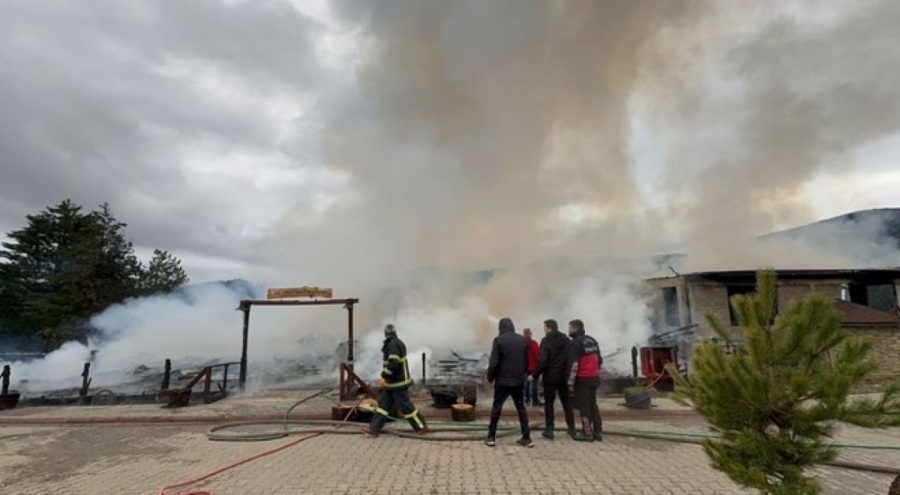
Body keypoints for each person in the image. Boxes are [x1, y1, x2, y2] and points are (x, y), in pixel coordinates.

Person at [362, 324, 428, 437]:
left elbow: (393, 363)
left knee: (406, 407)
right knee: (383, 406)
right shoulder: (395, 343)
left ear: (386, 334)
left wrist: (384, 376)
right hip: (391, 384)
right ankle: (374, 429)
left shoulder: (394, 345)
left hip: (398, 383)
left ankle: (421, 426)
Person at [484, 317, 533, 448]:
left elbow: (494, 363)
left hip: (503, 382)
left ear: (500, 327)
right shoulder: (522, 340)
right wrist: (522, 375)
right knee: (521, 408)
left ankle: (491, 437)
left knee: (496, 408)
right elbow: (527, 362)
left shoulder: (498, 340)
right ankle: (526, 437)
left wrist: (490, 377)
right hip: (518, 381)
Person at [528, 319, 576, 440]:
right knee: (566, 403)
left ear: (549, 328)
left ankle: (549, 429)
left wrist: (534, 375)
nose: (544, 330)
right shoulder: (566, 341)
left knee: (549, 404)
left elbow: (542, 362)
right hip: (563, 377)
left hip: (550, 378)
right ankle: (572, 428)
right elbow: (571, 358)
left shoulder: (546, 341)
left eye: (544, 327)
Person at [567, 319, 603, 442]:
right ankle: (598, 431)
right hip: (594, 378)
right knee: (593, 403)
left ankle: (587, 433)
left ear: (576, 329)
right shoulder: (592, 340)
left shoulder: (575, 343)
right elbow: (599, 359)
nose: (568, 331)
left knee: (584, 406)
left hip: (583, 379)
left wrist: (570, 383)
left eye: (570, 328)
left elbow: (574, 365)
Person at [522, 328, 543, 407]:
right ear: (530, 334)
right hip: (534, 367)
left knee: (526, 384)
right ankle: (535, 401)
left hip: (525, 368)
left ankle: (527, 399)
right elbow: (538, 355)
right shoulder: (534, 343)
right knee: (534, 385)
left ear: (524, 334)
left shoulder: (521, 343)